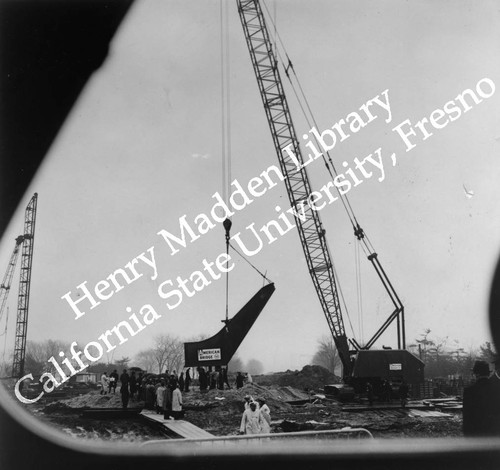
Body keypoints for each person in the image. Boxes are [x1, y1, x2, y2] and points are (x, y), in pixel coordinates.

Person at [463, 360, 500, 436]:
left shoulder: (469, 391)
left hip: (477, 432)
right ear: (488, 373)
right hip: (495, 432)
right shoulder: (497, 389)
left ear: (476, 374)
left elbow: (467, 417)